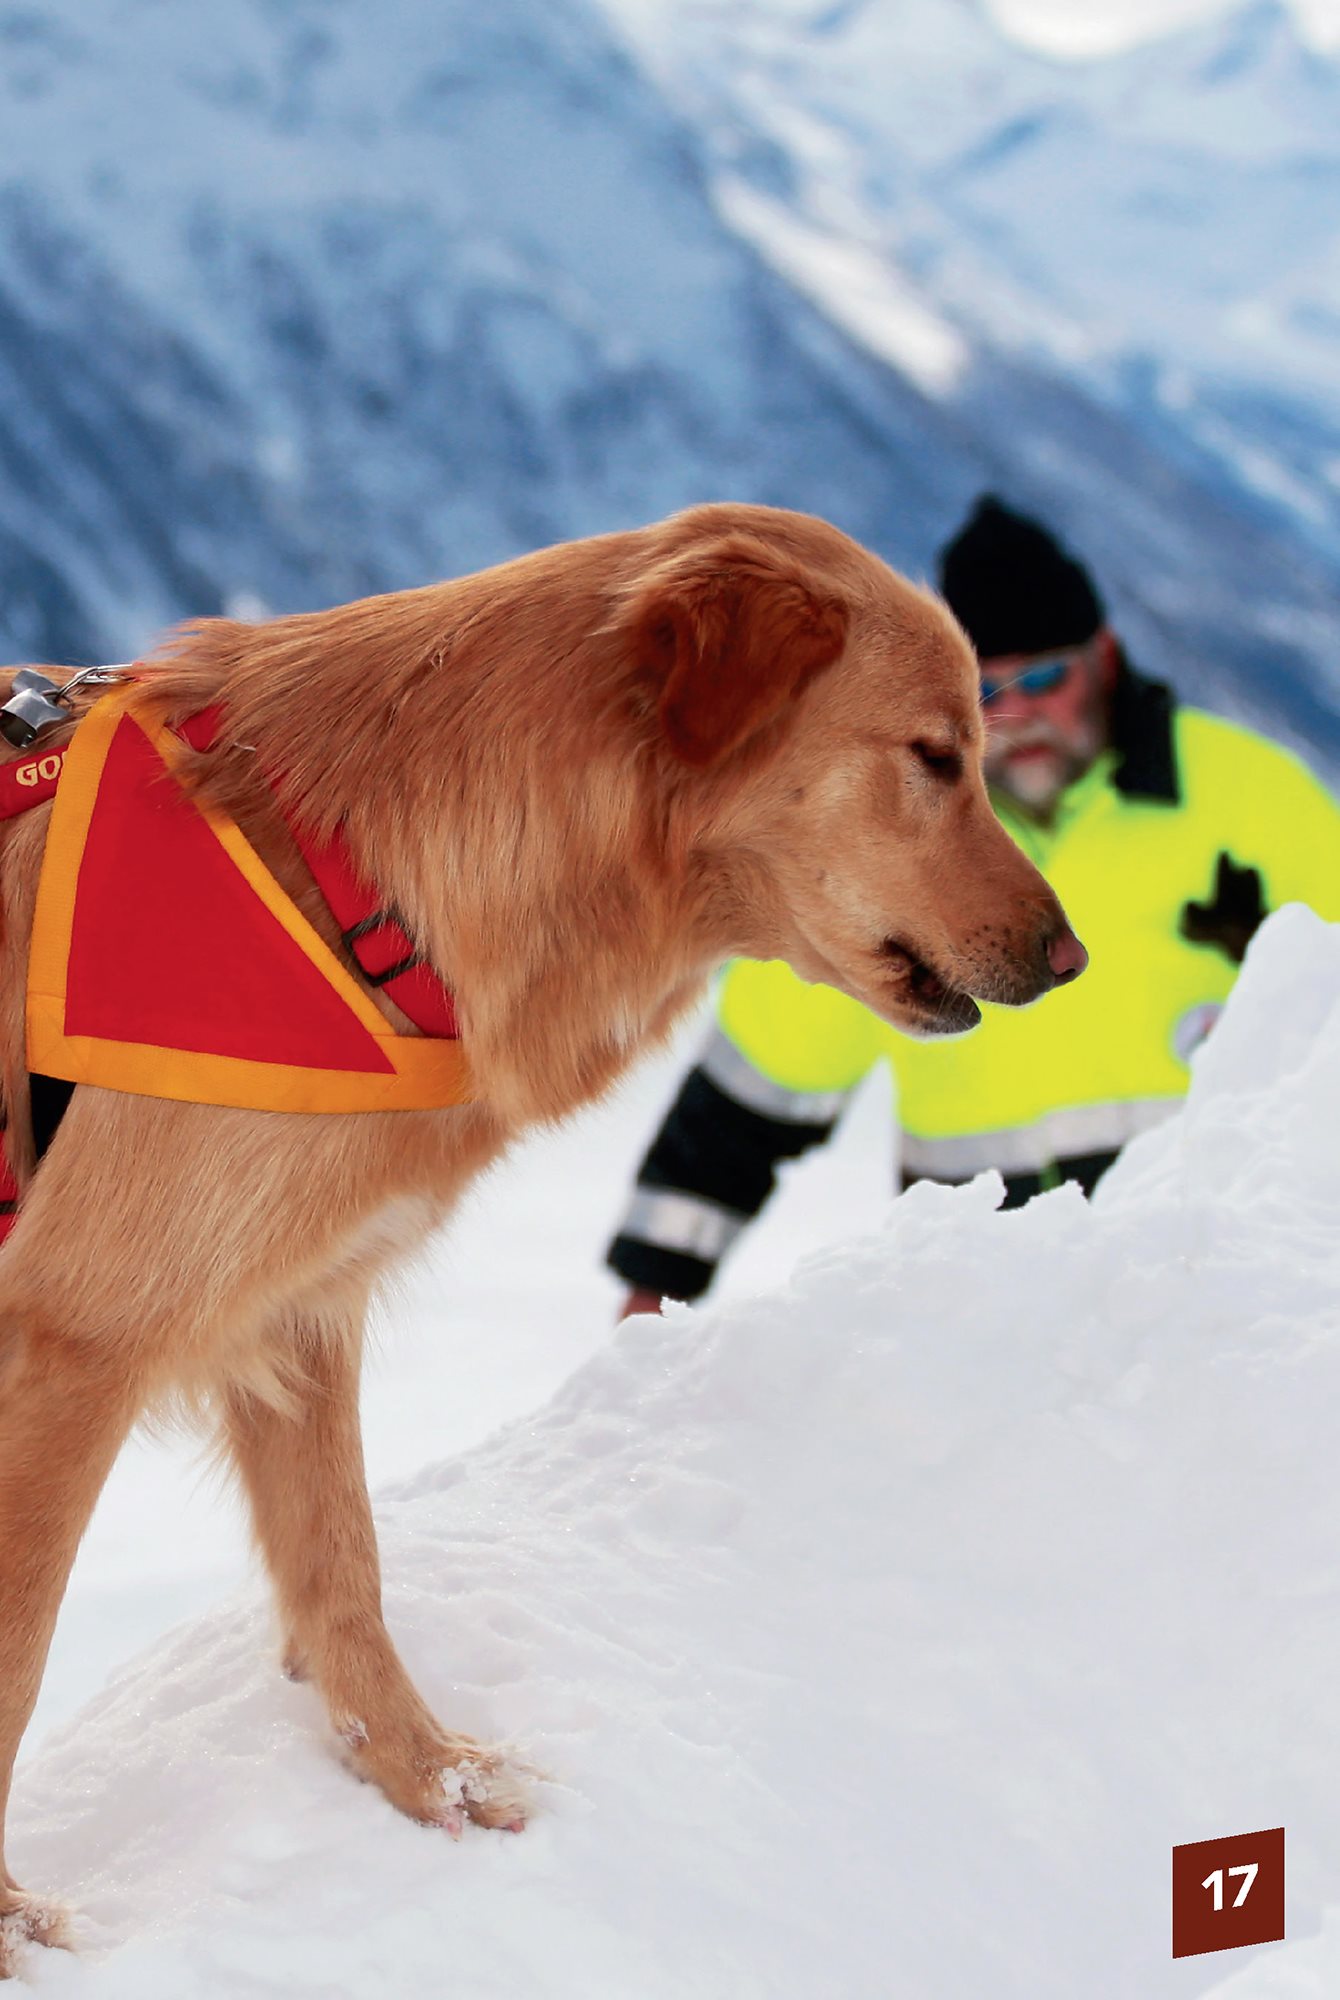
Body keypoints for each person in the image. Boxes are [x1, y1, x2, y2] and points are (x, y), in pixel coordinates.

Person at [606, 495, 1340, 1314]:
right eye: (985, 691)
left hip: (1220, 1293)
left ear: (1106, 654)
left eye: (1045, 678)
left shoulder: (1255, 800)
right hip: (985, 1320)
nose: (1017, 715)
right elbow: (758, 1093)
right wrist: (655, 1285)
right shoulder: (889, 844)